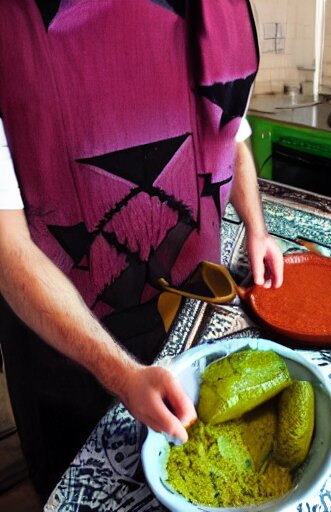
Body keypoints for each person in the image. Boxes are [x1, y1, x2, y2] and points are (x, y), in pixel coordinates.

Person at [0, 0, 283, 502]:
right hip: (66, 338)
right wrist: (123, 376)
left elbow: (229, 128)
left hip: (191, 311)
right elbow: (6, 250)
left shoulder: (222, 11)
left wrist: (256, 228)